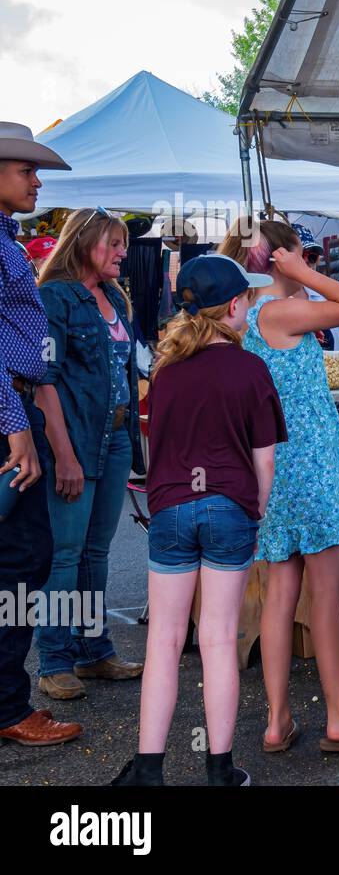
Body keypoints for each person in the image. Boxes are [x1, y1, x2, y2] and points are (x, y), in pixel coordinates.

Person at [112, 255, 286, 786]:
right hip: (229, 507)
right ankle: (219, 769)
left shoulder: (164, 372)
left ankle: (147, 769)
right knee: (217, 638)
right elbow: (265, 460)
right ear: (235, 306)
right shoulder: (251, 369)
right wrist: (252, 510)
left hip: (170, 508)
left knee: (164, 637)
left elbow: (154, 447)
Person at [217, 217, 339, 753]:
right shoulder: (280, 312)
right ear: (281, 257)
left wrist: (296, 271)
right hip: (310, 466)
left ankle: (277, 720)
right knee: (328, 593)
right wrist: (304, 272)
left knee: (281, 592)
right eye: (301, 252)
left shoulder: (245, 318)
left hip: (272, 466)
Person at [33, 207, 145, 700]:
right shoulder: (54, 297)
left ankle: (93, 650)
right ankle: (54, 661)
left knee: (95, 554)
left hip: (116, 436)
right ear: (83, 243)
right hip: (76, 438)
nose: (123, 252)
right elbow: (44, 381)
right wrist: (64, 454)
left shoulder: (113, 299)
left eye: (123, 243)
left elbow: (123, 375)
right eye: (113, 243)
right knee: (65, 555)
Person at [0, 123, 82, 746]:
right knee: (22, 559)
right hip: (7, 412)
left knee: (22, 559)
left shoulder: (7, 239)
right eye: (26, 169)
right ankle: (7, 707)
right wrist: (15, 427)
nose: (37, 180)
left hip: (16, 405)